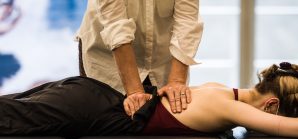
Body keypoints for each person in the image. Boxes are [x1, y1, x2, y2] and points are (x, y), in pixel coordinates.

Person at [0, 62, 298, 139]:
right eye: (277, 114)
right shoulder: (229, 107)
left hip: (88, 96)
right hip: (86, 110)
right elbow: (290, 129)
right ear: (271, 105)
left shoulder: (220, 89)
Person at [76, 0, 204, 116]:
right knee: (102, 121)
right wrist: (134, 92)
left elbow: (186, 20)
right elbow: (116, 25)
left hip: (162, 57)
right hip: (108, 57)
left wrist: (176, 81)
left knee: (166, 118)